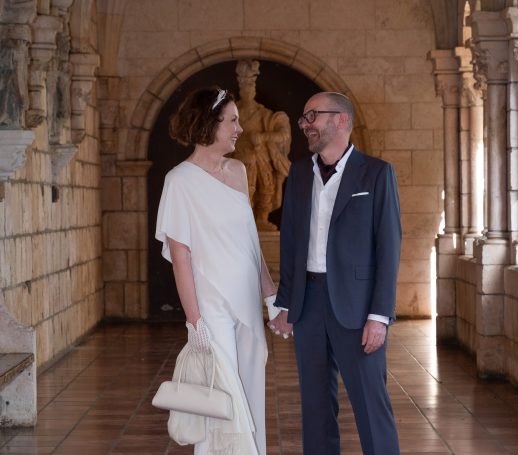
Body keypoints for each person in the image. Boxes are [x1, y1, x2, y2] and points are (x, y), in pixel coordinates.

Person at [269, 92, 402, 454]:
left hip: (358, 309)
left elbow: (389, 249)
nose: (305, 124)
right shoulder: (298, 173)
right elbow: (292, 242)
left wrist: (379, 316)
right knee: (314, 406)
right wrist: (285, 303)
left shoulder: (376, 172)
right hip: (308, 304)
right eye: (304, 118)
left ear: (341, 120)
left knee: (371, 406)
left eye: (313, 115)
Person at [155, 87, 277, 455]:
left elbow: (250, 242)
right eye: (233, 121)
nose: (240, 128)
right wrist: (195, 322)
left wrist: (270, 295)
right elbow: (181, 259)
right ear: (209, 124)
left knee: (250, 390)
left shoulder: (238, 171)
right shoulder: (179, 181)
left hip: (247, 303)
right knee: (221, 400)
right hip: (211, 307)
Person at [234, 59, 291, 231]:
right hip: (240, 157)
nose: (248, 91)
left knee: (266, 187)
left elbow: (283, 134)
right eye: (244, 87)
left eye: (251, 87)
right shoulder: (232, 113)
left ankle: (261, 219)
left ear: (254, 90)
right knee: (244, 190)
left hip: (262, 158)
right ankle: (243, 220)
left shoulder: (265, 115)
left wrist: (264, 137)